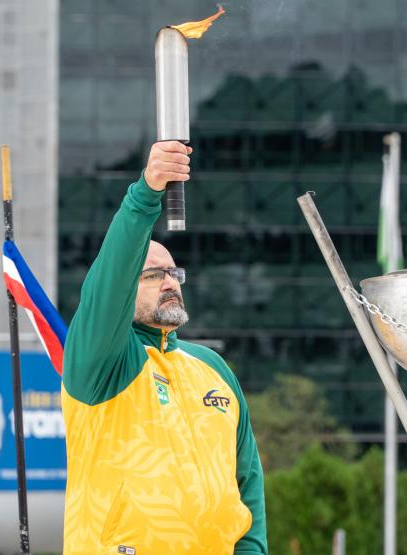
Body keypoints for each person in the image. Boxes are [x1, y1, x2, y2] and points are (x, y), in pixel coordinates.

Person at [61, 141, 267, 554]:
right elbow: (110, 279)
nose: (170, 281)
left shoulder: (212, 367)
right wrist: (146, 194)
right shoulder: (104, 362)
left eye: (174, 272)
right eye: (154, 274)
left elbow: (246, 485)